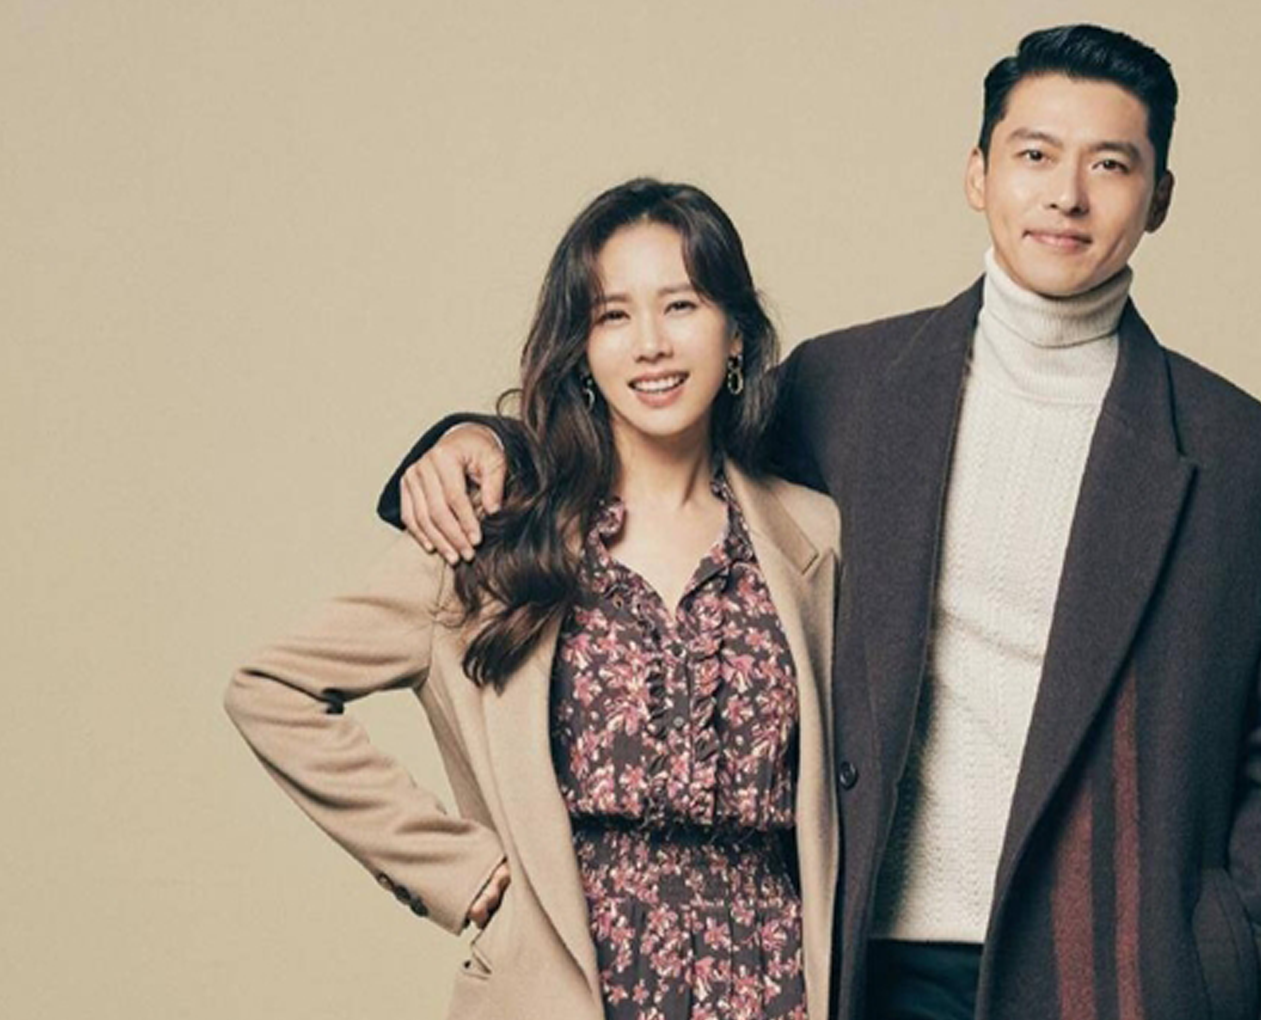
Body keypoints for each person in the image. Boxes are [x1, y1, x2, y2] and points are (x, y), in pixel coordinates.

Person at [380, 24, 1261, 1020]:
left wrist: (1240, 969)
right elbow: (660, 443)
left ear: (1161, 196)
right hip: (867, 963)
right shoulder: (842, 391)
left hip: (1119, 978)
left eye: (1110, 164)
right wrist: (489, 443)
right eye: (1034, 155)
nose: (1066, 194)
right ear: (978, 174)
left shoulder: (1248, 465)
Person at [224, 178, 842, 1020]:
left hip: (774, 984)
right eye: (613, 316)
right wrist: (457, 872)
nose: (652, 345)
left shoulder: (813, 539)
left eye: (682, 305)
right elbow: (271, 689)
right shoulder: (496, 534)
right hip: (561, 985)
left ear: (735, 332)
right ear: (581, 350)